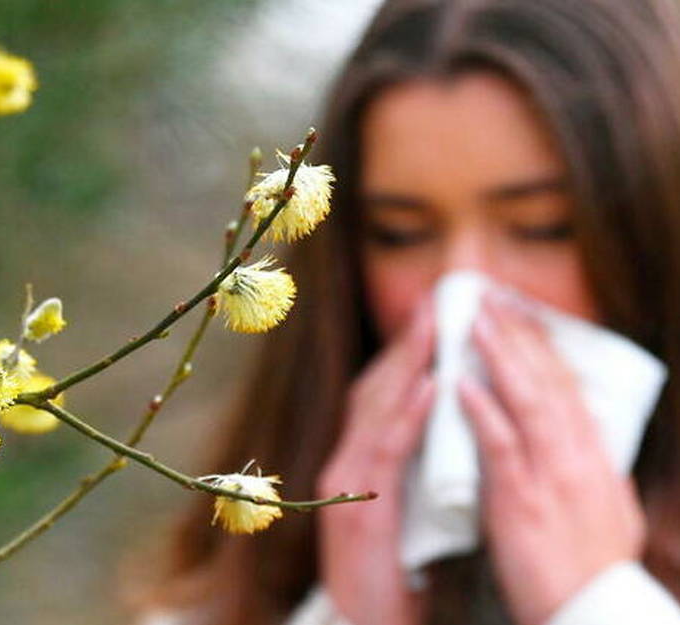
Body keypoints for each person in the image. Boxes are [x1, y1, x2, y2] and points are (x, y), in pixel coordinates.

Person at [133, 1, 680, 623]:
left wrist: (594, 601)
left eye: (542, 228)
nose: (462, 294)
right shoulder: (252, 572)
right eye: (401, 233)